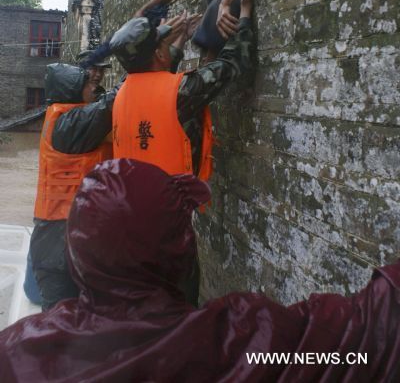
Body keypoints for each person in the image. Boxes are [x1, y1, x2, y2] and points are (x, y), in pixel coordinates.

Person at [1, 159, 399, 382]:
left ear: (77, 253)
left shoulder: (18, 352)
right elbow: (371, 334)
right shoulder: (245, 343)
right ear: (182, 250)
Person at [110, 0, 255, 181]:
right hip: (169, 202)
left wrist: (180, 40)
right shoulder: (182, 92)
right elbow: (233, 62)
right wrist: (245, 12)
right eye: (163, 43)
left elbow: (159, 87)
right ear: (160, 54)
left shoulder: (120, 92)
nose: (167, 45)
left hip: (132, 197)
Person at [28, 62, 116, 310]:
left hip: (55, 234)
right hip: (58, 241)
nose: (94, 88)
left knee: (66, 315)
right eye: (89, 85)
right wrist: (137, 52)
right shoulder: (71, 122)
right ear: (72, 90)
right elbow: (111, 104)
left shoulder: (63, 117)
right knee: (59, 318)